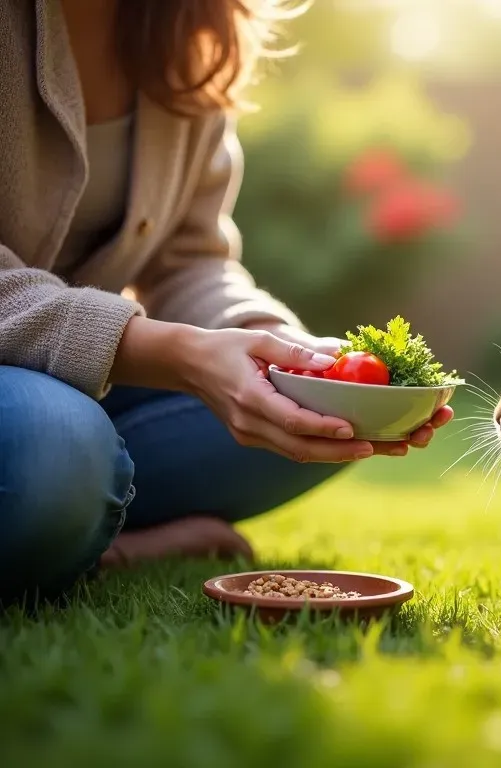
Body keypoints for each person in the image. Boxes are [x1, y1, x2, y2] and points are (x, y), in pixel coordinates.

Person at [0, 0, 454, 605]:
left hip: (90, 381)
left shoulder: (189, 26)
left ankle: (75, 509)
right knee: (55, 455)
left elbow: (191, 258)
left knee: (335, 419)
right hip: (39, 401)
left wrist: (287, 353)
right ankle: (109, 538)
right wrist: (178, 352)